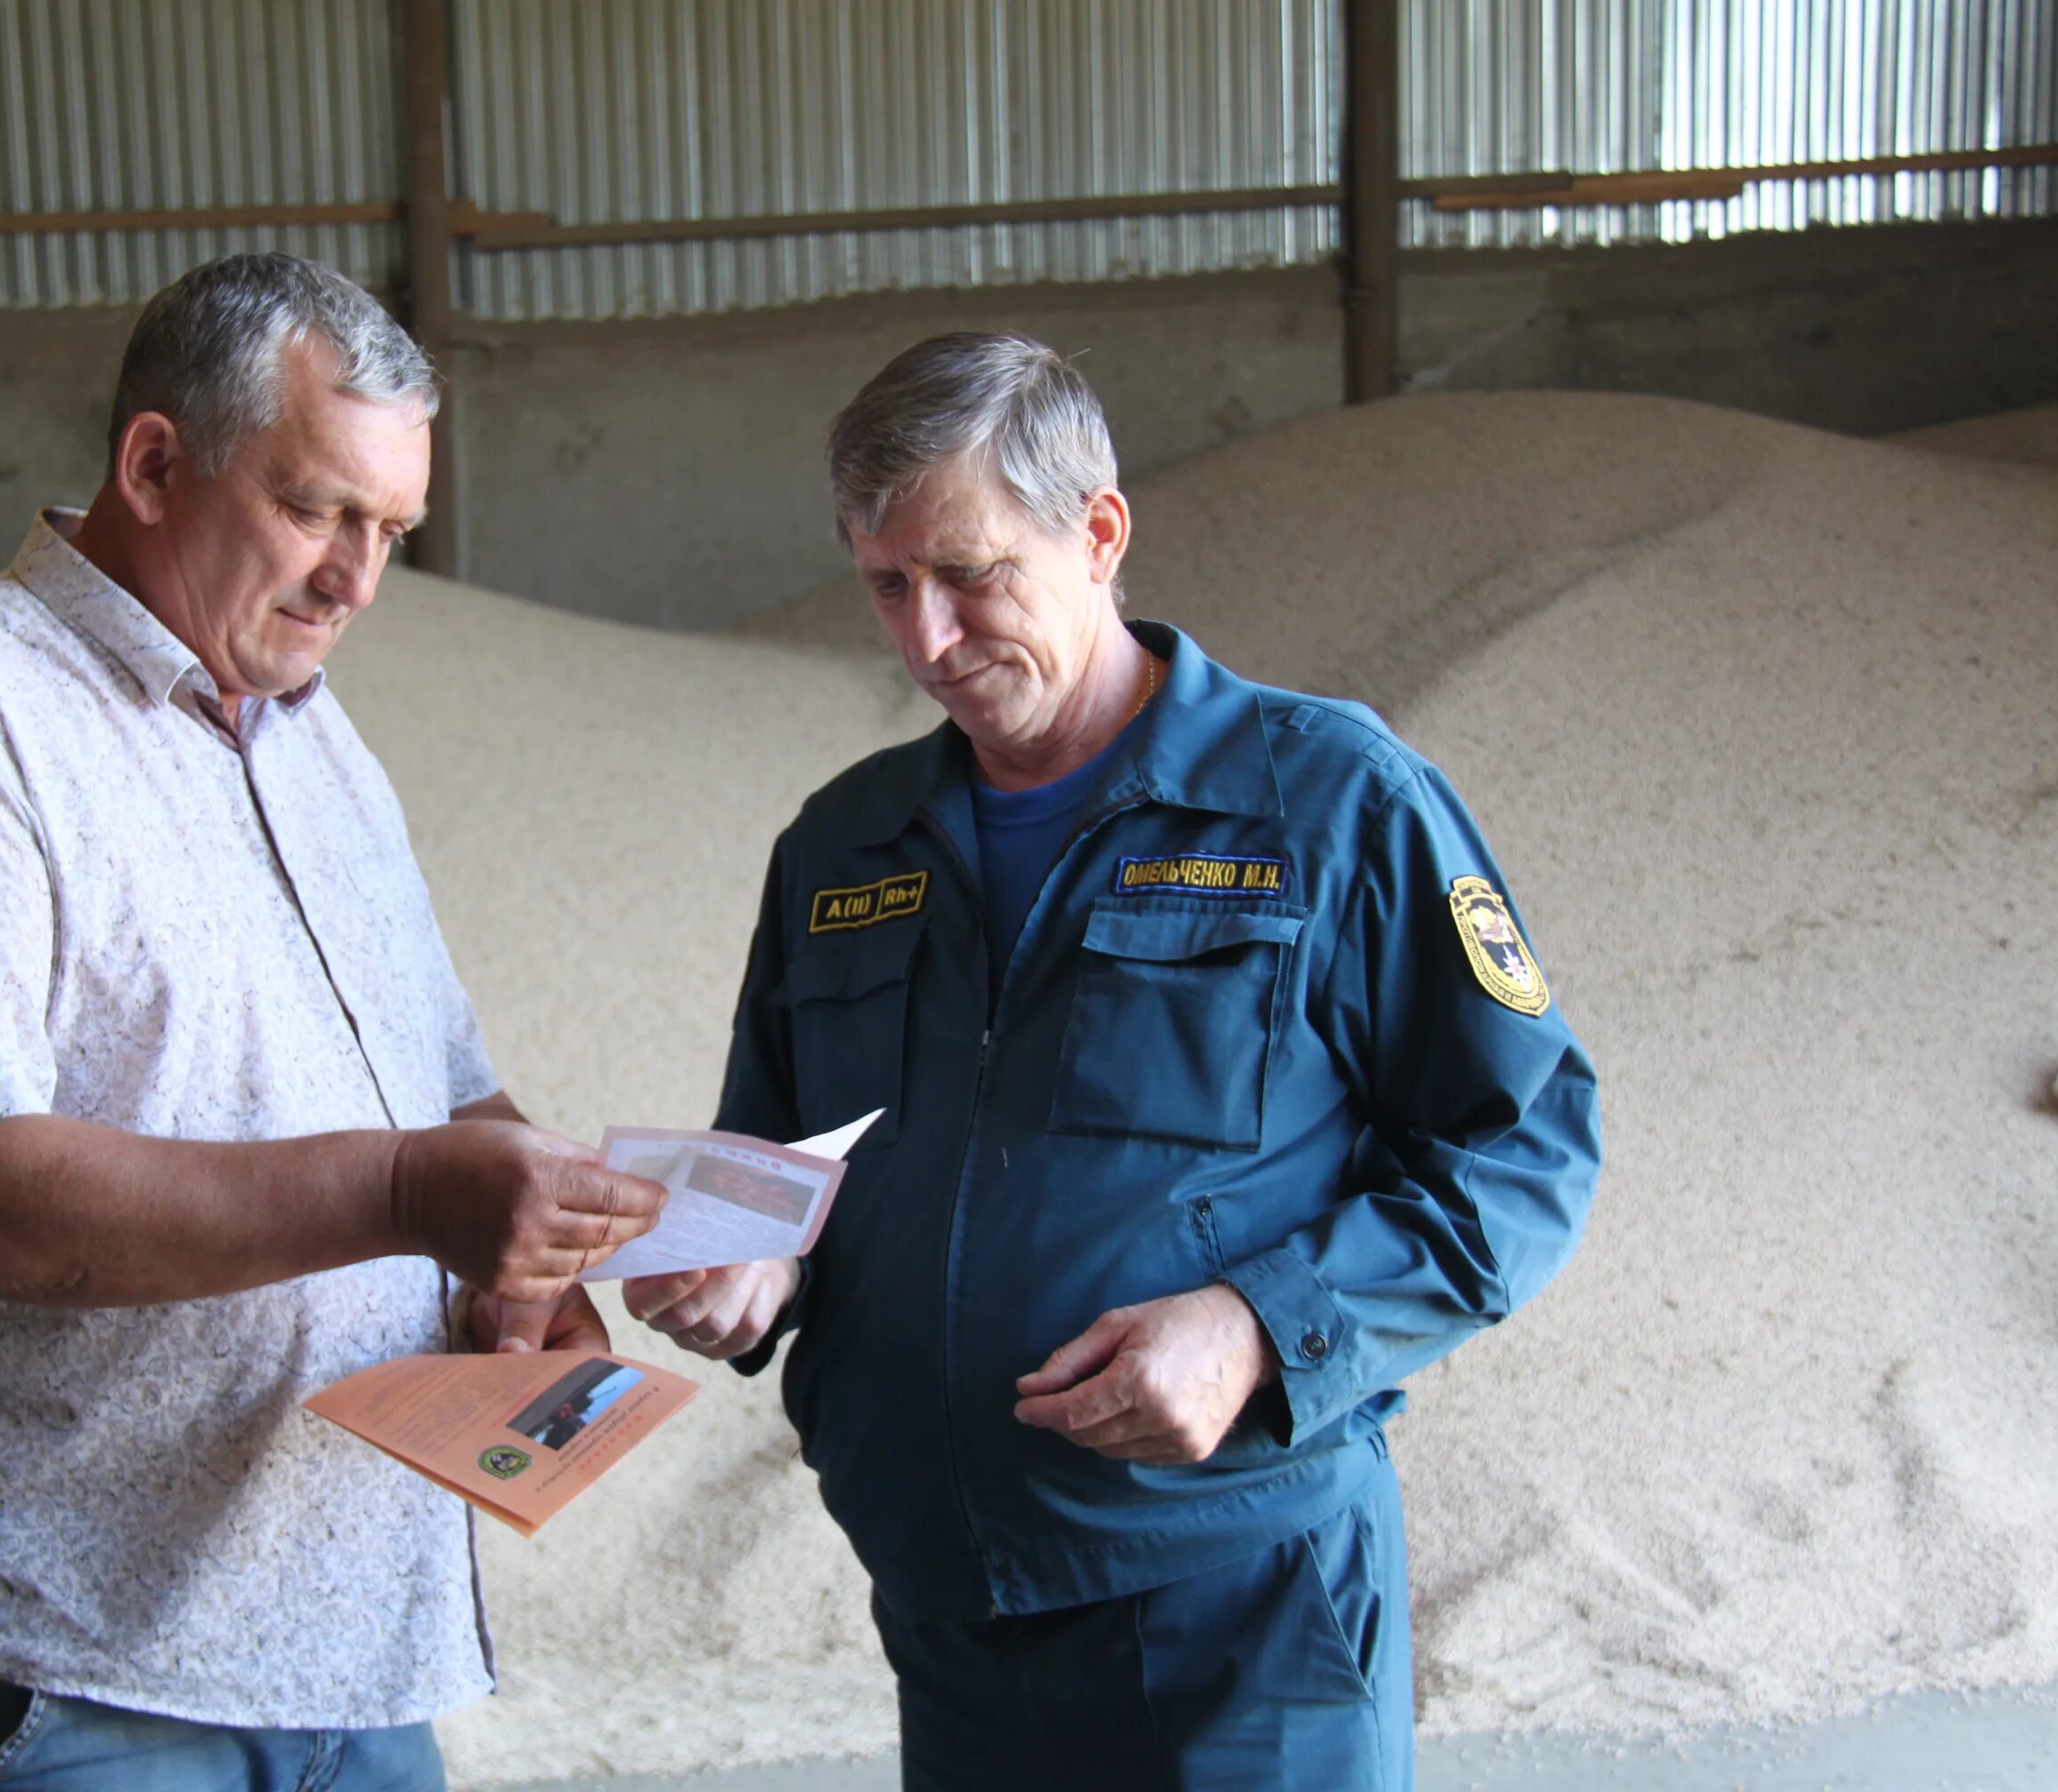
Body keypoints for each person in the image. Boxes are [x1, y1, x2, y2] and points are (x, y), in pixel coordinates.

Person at [625, 333, 1600, 1789]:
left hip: (1244, 1628)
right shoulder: (844, 847)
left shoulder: (1326, 803)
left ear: (1098, 533)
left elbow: (1524, 1152)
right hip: (952, 1620)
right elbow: (778, 1159)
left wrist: (1260, 1326)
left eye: (974, 574)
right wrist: (745, 1260)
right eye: (889, 584)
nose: (930, 638)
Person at [0, 253, 663, 1792]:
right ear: (156, 465)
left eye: (390, 531)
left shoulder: (314, 739)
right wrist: (401, 1194)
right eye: (318, 509)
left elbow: (442, 1092)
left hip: (344, 1638)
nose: (358, 579)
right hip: (76, 1662)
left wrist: (533, 1241)